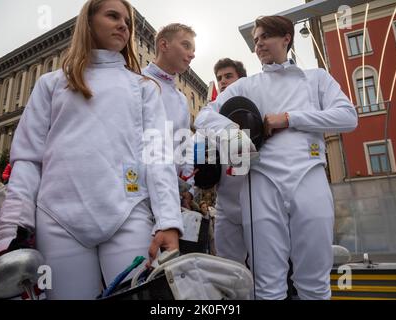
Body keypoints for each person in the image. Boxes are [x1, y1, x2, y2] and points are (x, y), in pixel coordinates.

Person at [0, 0, 183, 300]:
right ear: (89, 22)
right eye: (112, 16)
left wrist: (168, 221)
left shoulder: (144, 88)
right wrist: (12, 230)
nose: (123, 25)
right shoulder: (50, 84)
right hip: (58, 219)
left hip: (127, 213)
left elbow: (158, 157)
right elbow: (27, 160)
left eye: (127, 21)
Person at [194, 15, 357, 299]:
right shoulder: (246, 86)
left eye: (265, 36)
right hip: (261, 183)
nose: (259, 44)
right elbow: (204, 116)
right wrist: (234, 135)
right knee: (267, 286)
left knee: (315, 283)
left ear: (286, 38)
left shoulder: (315, 78)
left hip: (310, 177)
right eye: (256, 40)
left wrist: (289, 118)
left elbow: (347, 117)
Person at [141, 23, 196, 209]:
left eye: (193, 50)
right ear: (164, 45)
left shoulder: (181, 100)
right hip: (136, 191)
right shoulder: (136, 82)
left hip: (170, 196)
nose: (192, 54)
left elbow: (185, 145)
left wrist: (189, 188)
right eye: (186, 46)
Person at [210, 58, 248, 265]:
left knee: (264, 270)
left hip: (256, 202)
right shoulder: (211, 114)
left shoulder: (254, 107)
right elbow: (198, 153)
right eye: (219, 78)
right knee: (230, 269)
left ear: (241, 79)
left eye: (228, 76)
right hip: (224, 203)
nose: (222, 81)